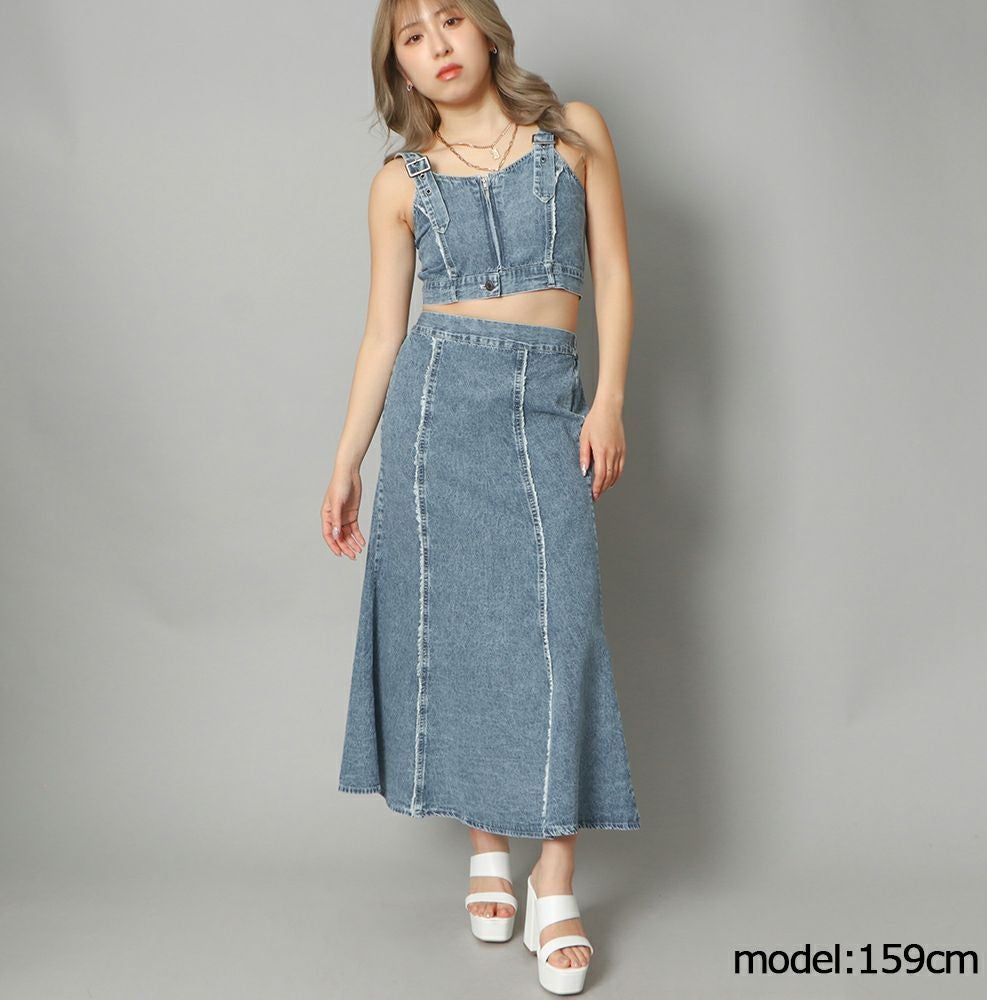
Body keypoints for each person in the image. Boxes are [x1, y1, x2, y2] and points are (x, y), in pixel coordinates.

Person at [321, 1, 639, 993]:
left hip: (548, 401)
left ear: (486, 29)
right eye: (412, 37)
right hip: (438, 412)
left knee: (558, 631)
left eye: (449, 19)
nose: (438, 46)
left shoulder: (575, 132)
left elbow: (614, 272)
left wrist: (609, 400)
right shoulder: (397, 183)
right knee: (457, 633)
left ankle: (556, 881)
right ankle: (488, 851)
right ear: (401, 68)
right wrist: (347, 460)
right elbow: (384, 333)